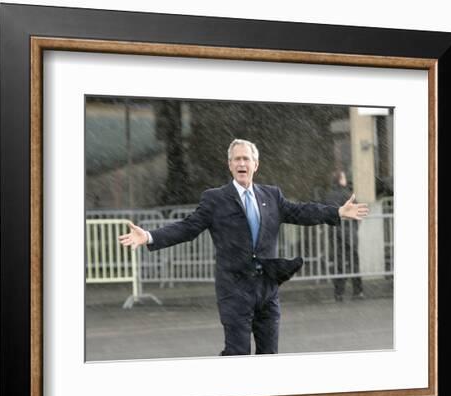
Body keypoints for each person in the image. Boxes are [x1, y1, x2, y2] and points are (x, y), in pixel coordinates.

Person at [118, 139, 369, 356]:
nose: (241, 164)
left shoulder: (271, 196)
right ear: (230, 165)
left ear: (255, 165)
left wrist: (336, 212)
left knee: (269, 355)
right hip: (234, 289)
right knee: (237, 354)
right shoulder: (215, 199)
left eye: (246, 159)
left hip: (267, 290)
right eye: (236, 159)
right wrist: (149, 236)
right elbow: (188, 227)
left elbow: (301, 211)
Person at [324, 170, 364, 302]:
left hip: (335, 232)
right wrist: (355, 227)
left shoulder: (329, 195)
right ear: (340, 180)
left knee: (338, 262)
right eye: (344, 177)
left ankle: (338, 293)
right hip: (349, 232)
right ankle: (357, 291)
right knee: (353, 261)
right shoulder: (347, 194)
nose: (346, 179)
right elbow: (358, 212)